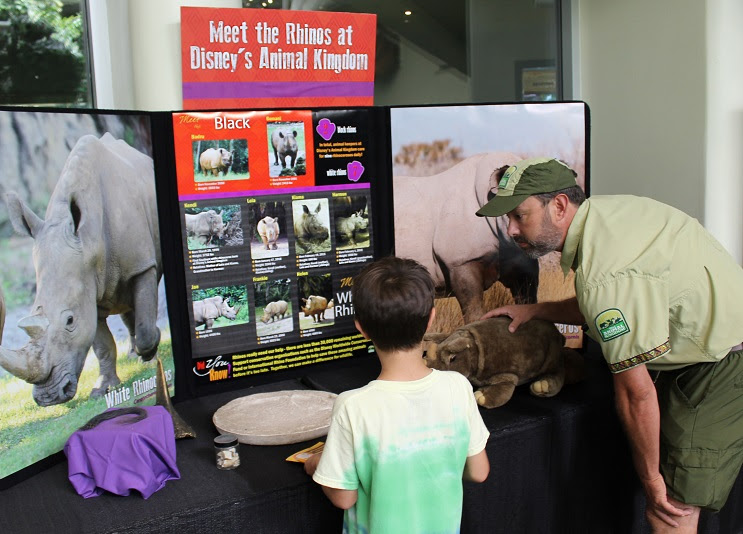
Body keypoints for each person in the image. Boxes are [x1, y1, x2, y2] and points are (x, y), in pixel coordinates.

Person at [477, 157, 743, 533]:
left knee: (670, 511)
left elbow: (635, 393)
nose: (512, 229)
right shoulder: (605, 216)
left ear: (559, 206)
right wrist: (536, 310)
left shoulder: (606, 271)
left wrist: (651, 481)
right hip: (703, 343)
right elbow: (614, 302)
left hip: (720, 363)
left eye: (520, 216)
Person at [304, 256, 490, 533]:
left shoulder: (354, 405)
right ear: (431, 320)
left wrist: (316, 465)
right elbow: (479, 471)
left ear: (361, 328)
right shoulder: (458, 387)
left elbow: (344, 497)